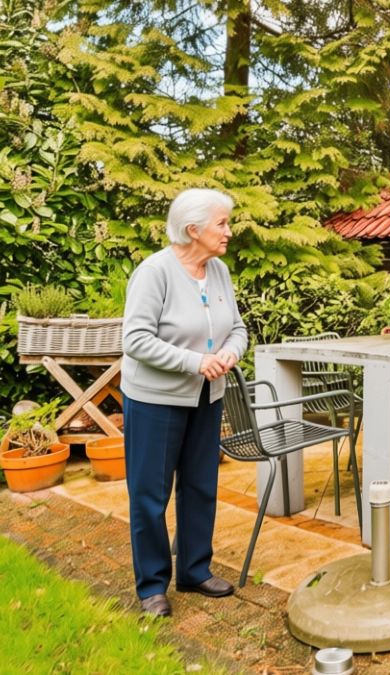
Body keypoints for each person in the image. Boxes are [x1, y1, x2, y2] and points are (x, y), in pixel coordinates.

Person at [121, 188, 248, 618]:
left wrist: (231, 352)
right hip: (155, 400)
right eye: (223, 223)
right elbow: (135, 340)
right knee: (150, 496)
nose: (229, 231)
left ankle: (194, 570)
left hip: (207, 396)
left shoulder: (219, 272)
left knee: (199, 486)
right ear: (193, 230)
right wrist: (195, 362)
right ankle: (152, 586)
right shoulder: (154, 272)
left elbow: (238, 328)